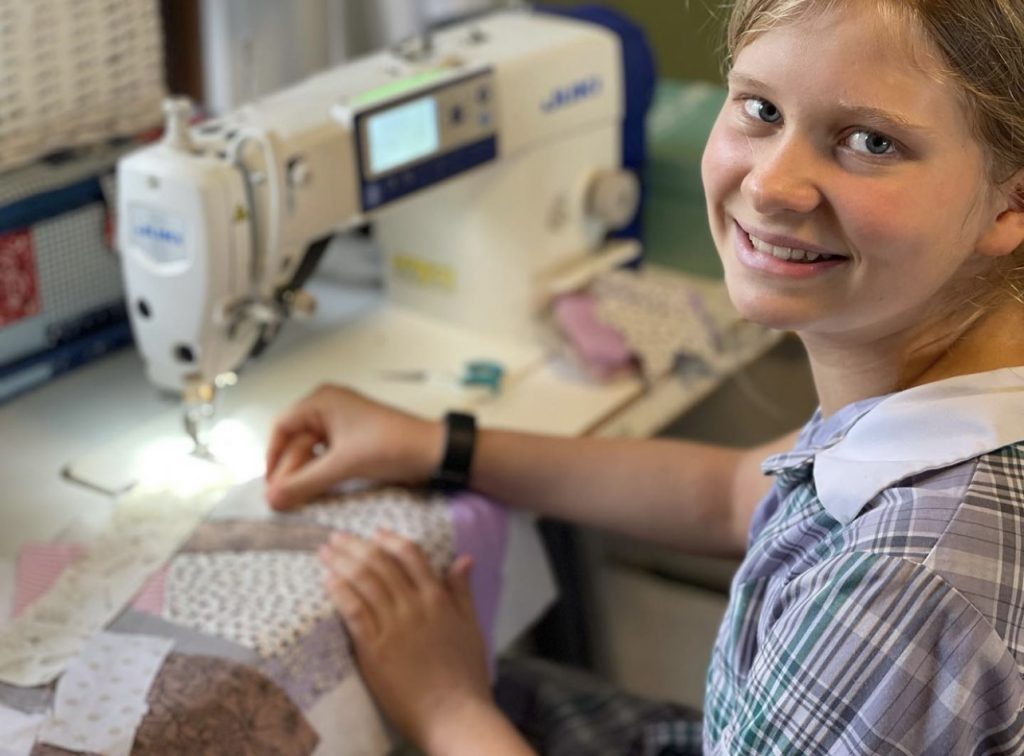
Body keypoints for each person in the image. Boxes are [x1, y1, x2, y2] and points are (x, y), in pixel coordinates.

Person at [264, 0, 1024, 752]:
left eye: (870, 141)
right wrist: (442, 444)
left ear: (1010, 201)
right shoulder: (953, 402)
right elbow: (729, 495)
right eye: (760, 108)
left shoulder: (904, 586)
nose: (770, 185)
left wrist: (446, 708)